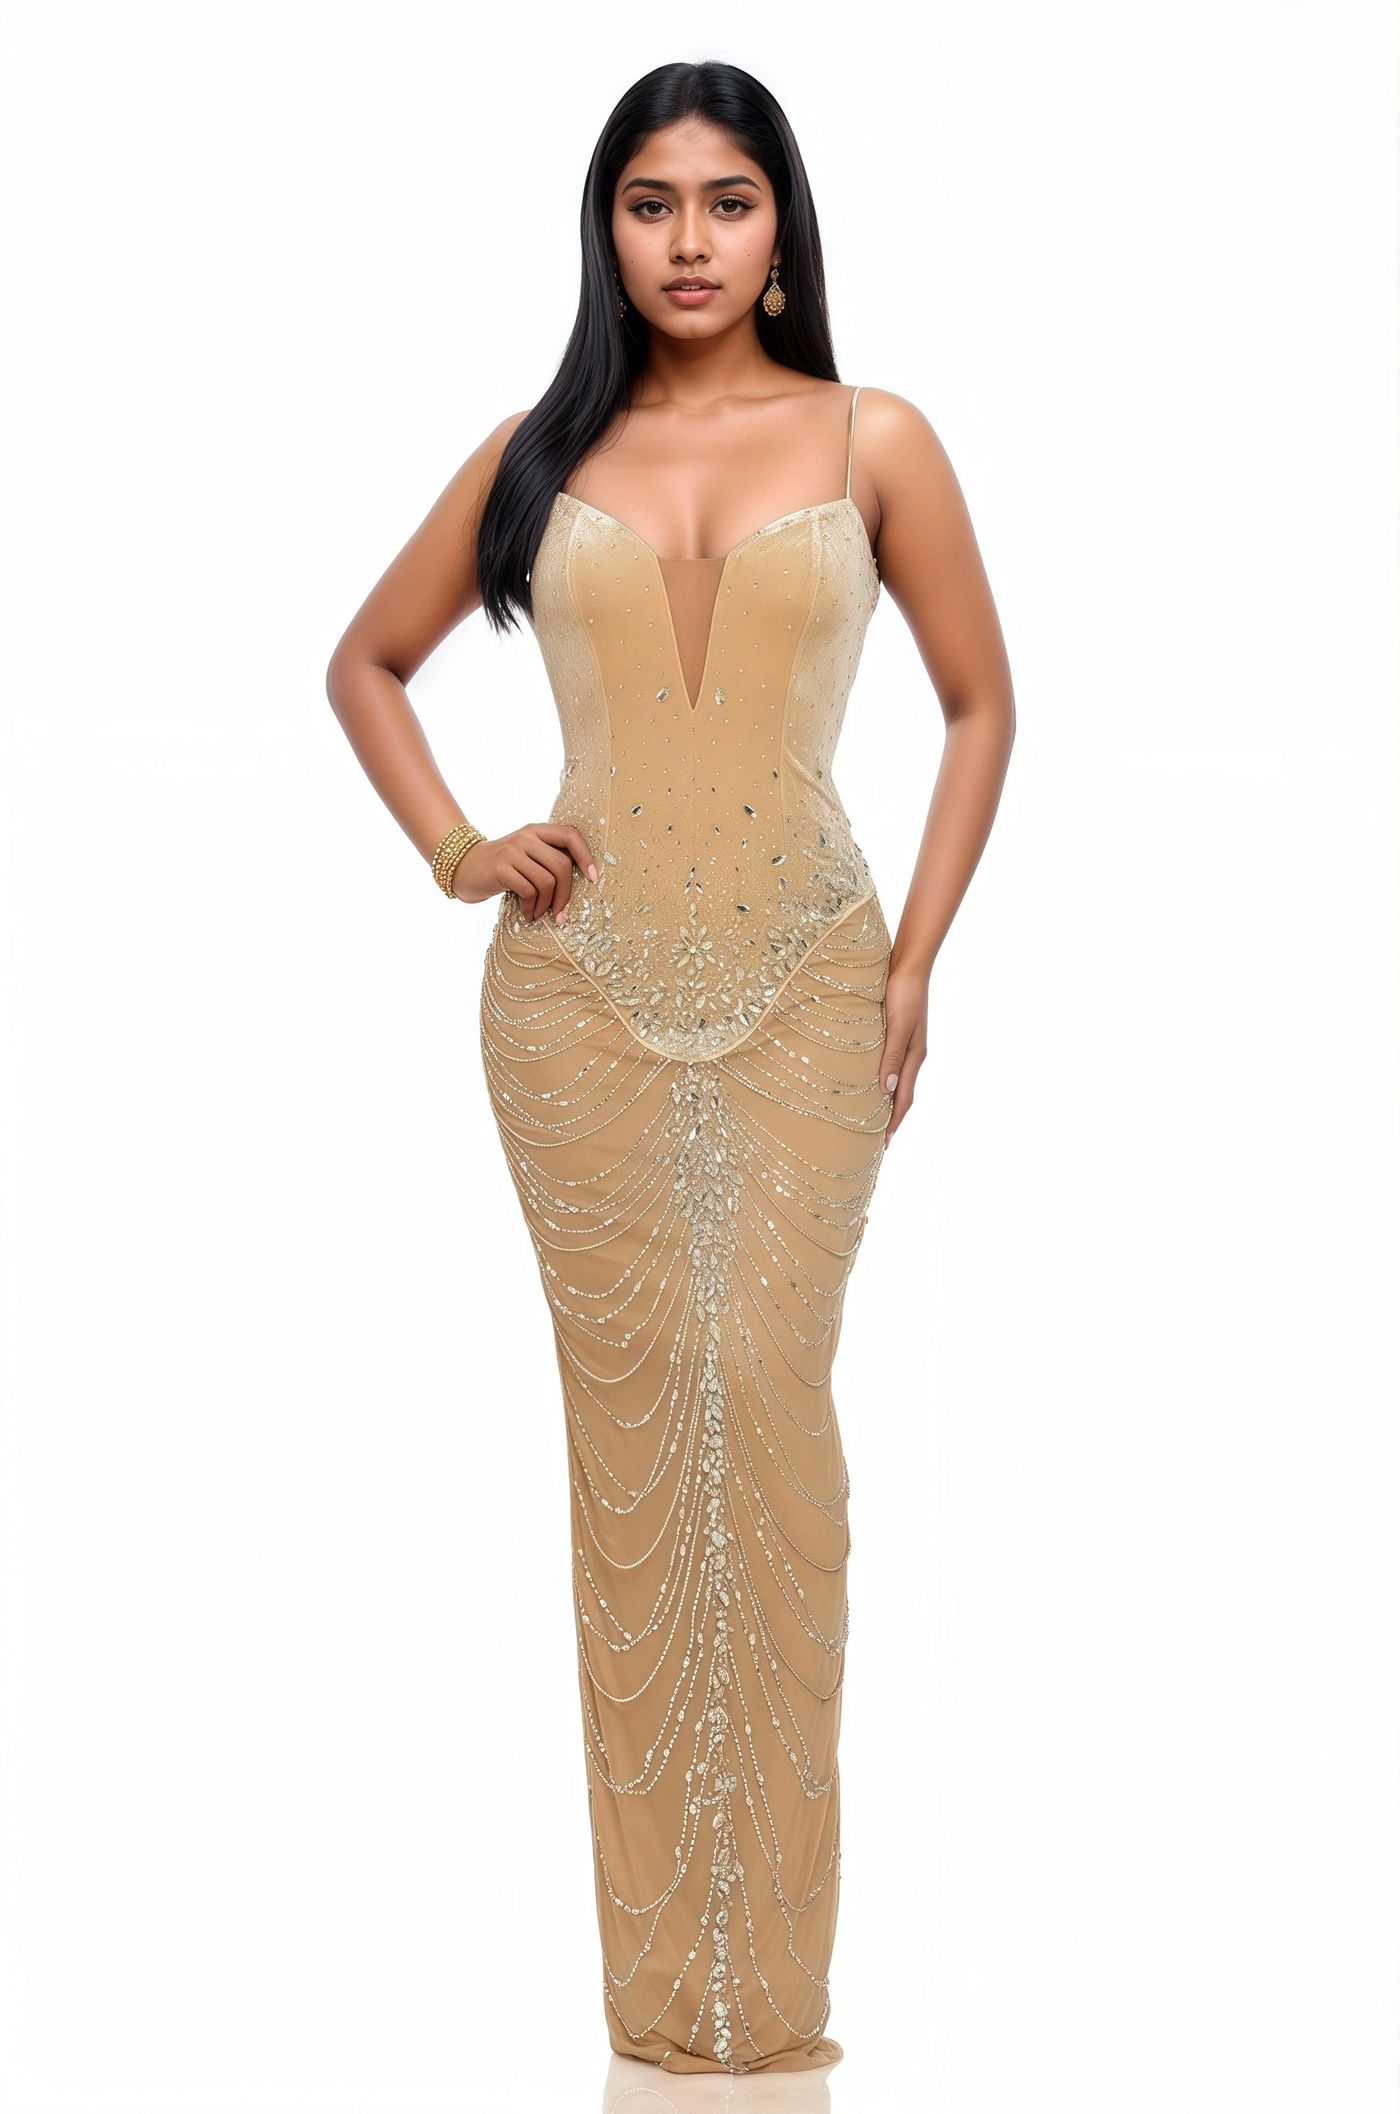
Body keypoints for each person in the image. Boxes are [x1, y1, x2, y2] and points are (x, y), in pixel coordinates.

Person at [326, 58, 1014, 2077]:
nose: (690, 240)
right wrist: (462, 846)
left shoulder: (876, 438)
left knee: (766, 1411)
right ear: (606, 228)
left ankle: (771, 2003)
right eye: (651, 203)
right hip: (577, 1008)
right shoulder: (538, 452)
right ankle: (657, 2011)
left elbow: (981, 704)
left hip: (810, 987)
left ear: (781, 223)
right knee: (632, 1451)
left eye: (727, 200)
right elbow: (364, 661)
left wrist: (916, 959)